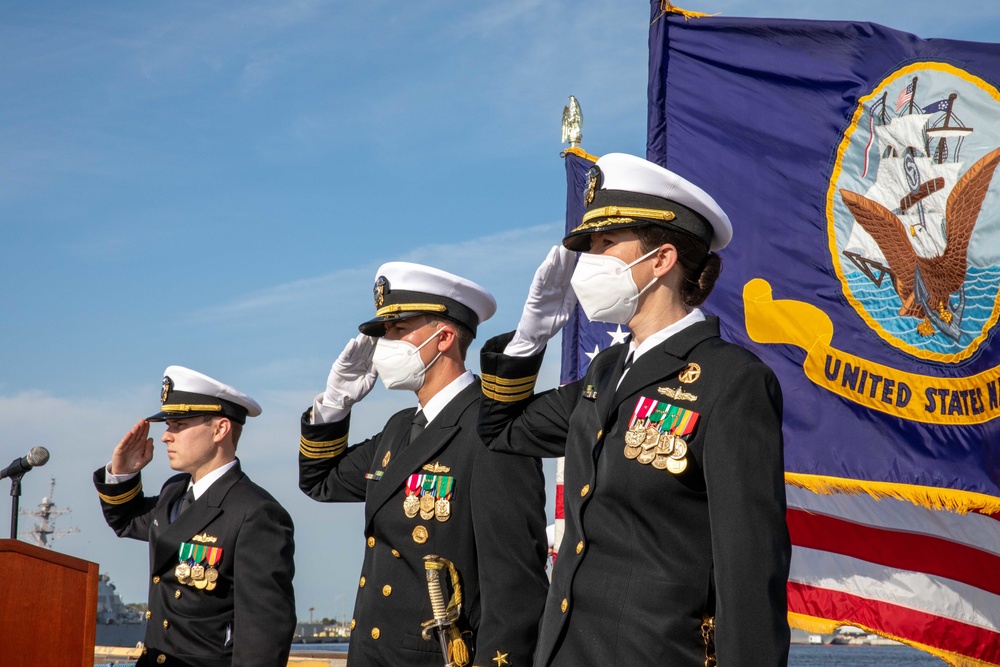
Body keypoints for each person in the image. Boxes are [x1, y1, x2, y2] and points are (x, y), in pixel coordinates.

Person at [477, 153, 791, 666]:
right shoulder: (605, 375)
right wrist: (530, 338)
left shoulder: (731, 381)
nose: (589, 260)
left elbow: (750, 567)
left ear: (661, 259)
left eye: (605, 244)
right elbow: (503, 429)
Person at [298, 262, 548, 667]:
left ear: (444, 337)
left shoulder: (491, 429)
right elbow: (320, 481)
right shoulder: (400, 428)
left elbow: (515, 588)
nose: (384, 346)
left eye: (397, 331)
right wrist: (333, 405)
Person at [94, 366, 296, 667]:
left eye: (178, 425)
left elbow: (263, 634)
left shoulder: (255, 512)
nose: (165, 437)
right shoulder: (174, 492)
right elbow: (127, 521)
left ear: (220, 429)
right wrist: (123, 472)